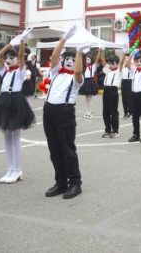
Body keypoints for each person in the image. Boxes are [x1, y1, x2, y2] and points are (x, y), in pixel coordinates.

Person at [0, 29, 36, 184]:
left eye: (11, 58)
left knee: (15, 137)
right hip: (4, 101)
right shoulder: (5, 70)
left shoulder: (21, 71)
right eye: (7, 58)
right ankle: (10, 168)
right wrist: (9, 44)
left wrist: (21, 41)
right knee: (7, 137)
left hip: (15, 101)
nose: (8, 60)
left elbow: (20, 56)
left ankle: (17, 169)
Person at [42, 25, 85, 199]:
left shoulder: (77, 79)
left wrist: (79, 51)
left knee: (67, 150)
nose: (69, 61)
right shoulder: (56, 73)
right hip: (49, 110)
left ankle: (75, 183)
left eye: (73, 59)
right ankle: (60, 182)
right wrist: (64, 38)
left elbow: (78, 71)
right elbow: (54, 56)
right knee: (54, 150)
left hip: (64, 112)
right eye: (67, 58)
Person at [98, 50, 125, 138]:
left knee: (113, 111)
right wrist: (101, 50)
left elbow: (121, 62)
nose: (111, 65)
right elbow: (102, 60)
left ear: (117, 64)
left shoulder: (118, 70)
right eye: (110, 63)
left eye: (113, 63)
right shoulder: (107, 70)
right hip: (106, 90)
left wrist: (124, 53)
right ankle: (108, 129)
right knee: (105, 111)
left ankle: (115, 131)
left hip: (113, 91)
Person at [126, 51, 141, 143]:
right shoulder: (134, 71)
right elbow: (127, 64)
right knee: (135, 116)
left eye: (140, 61)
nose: (138, 63)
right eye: (136, 61)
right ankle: (136, 134)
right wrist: (132, 54)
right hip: (134, 95)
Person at [78, 49, 100, 118]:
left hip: (90, 82)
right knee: (86, 97)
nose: (87, 61)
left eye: (88, 59)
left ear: (91, 60)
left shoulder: (93, 66)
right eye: (86, 59)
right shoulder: (84, 67)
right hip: (85, 82)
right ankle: (89, 111)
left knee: (89, 98)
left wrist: (100, 51)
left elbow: (97, 59)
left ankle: (89, 111)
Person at [121, 53, 134, 119]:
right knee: (124, 98)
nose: (126, 60)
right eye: (125, 58)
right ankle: (125, 112)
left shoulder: (131, 65)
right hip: (124, 81)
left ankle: (131, 112)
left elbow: (128, 64)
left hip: (130, 81)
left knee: (130, 98)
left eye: (127, 58)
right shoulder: (122, 66)